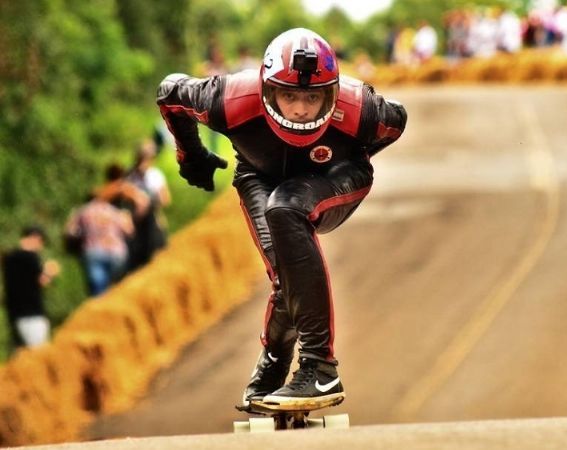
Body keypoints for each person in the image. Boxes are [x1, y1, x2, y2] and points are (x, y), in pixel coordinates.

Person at [156, 28, 407, 410]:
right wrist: (190, 154)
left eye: (313, 96)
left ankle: (320, 368)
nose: (301, 109)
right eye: (289, 95)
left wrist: (352, 158)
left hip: (335, 176)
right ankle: (274, 364)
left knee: (286, 205)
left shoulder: (362, 110)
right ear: (266, 90)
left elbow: (396, 122)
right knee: (287, 279)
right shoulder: (226, 99)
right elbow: (170, 92)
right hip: (258, 175)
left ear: (333, 93)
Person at [65, 183, 136, 297]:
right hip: (117, 254)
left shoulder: (83, 211)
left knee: (98, 290)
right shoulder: (115, 212)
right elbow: (129, 231)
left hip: (93, 252)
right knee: (114, 286)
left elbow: (70, 232)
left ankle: (100, 308)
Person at [1, 226, 60, 351]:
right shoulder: (31, 257)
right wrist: (50, 271)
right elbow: (41, 281)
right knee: (38, 354)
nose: (41, 247)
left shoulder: (9, 258)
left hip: (14, 314)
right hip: (32, 314)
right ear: (36, 239)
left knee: (20, 355)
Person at [126, 140, 171, 271]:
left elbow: (165, 199)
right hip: (136, 222)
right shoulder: (130, 176)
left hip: (152, 219)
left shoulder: (156, 176)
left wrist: (150, 202)